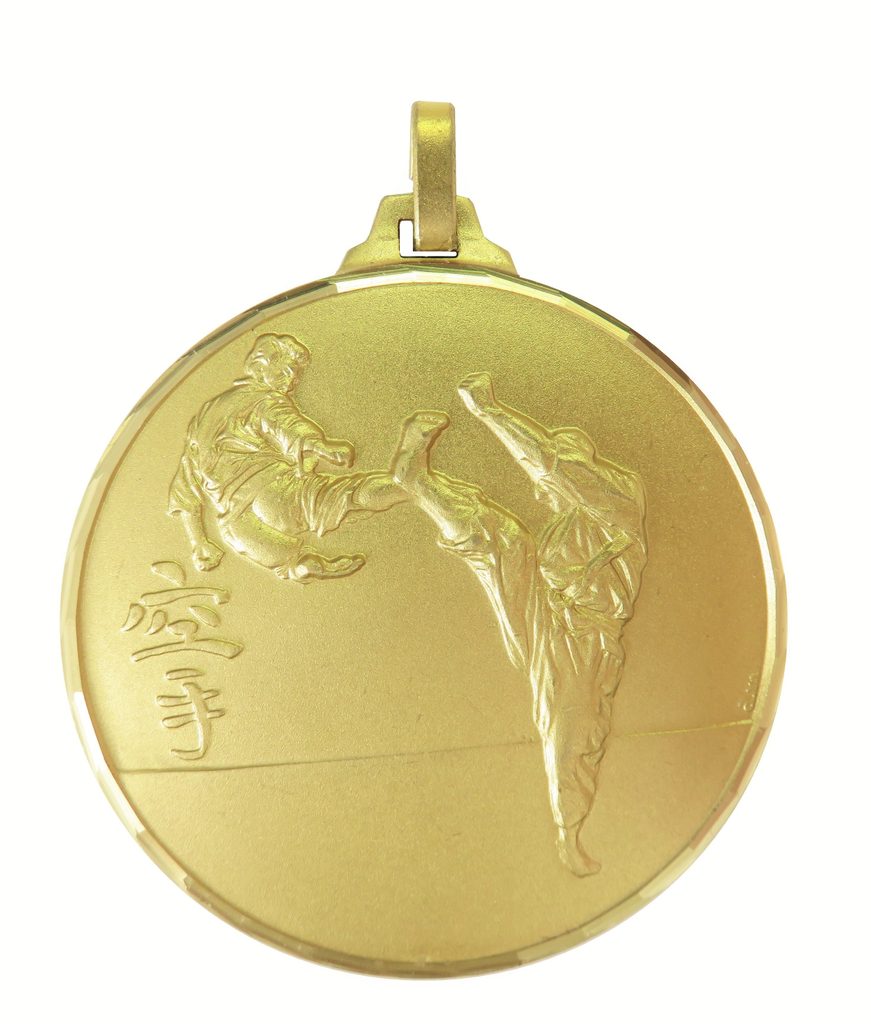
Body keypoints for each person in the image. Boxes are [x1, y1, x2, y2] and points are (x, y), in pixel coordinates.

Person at [390, 372, 647, 875]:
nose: (539, 491)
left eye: (547, 486)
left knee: (570, 729)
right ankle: (416, 481)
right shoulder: (567, 526)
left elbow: (549, 462)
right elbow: (548, 473)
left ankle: (569, 832)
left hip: (584, 637)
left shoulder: (616, 505)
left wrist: (489, 410)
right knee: (503, 541)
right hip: (551, 614)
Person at [168, 333, 404, 582]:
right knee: (349, 496)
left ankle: (301, 566)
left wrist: (198, 541)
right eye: (286, 370)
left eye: (297, 374)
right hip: (274, 492)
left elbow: (185, 484)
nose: (292, 380)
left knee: (281, 558)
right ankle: (408, 484)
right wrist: (321, 446)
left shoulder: (201, 419)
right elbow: (285, 424)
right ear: (260, 367)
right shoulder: (262, 398)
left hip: (237, 521)